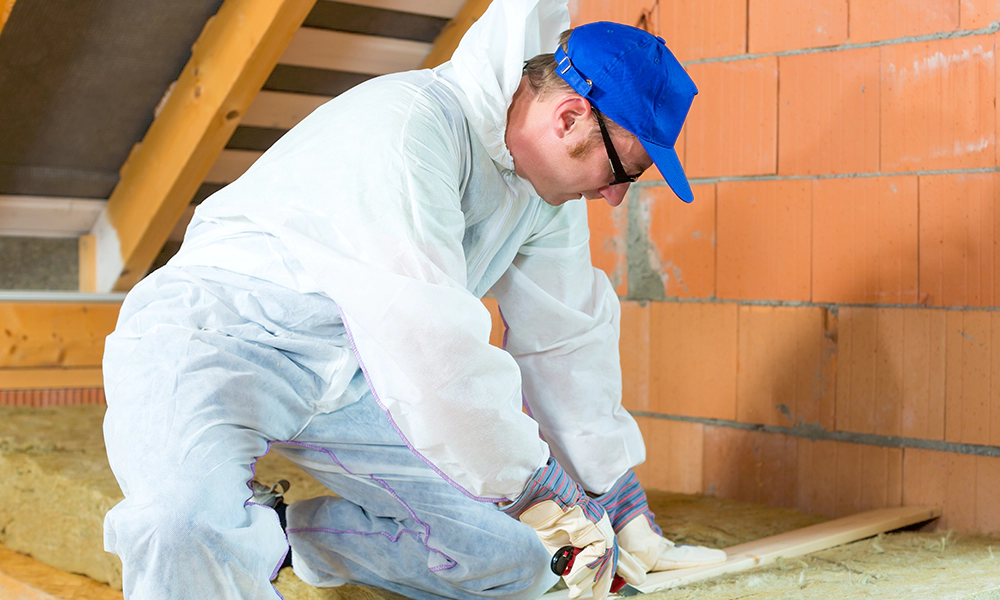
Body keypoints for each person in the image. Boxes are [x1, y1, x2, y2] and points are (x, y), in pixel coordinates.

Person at [100, 0, 726, 598]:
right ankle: (225, 531)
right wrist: (545, 494)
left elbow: (563, 340)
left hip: (358, 374)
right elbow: (427, 345)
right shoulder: (409, 127)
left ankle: (287, 537)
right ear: (568, 121)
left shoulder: (543, 197)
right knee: (180, 524)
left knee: (520, 558)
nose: (615, 198)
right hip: (219, 338)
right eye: (625, 173)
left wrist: (615, 500)